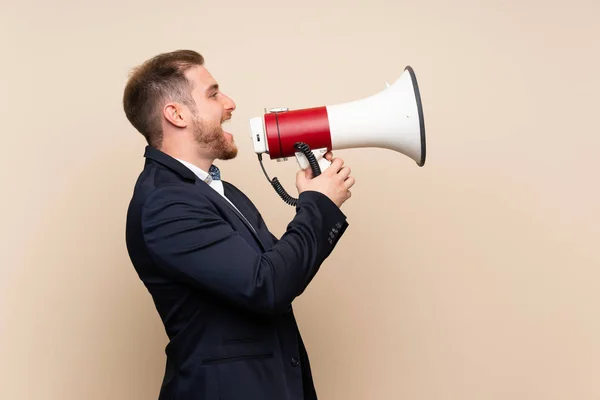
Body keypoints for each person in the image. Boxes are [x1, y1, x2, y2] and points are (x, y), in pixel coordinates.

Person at [122, 49, 355, 400]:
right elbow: (267, 286)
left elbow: (281, 270)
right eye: (213, 94)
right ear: (177, 114)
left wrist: (313, 198)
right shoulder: (166, 203)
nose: (230, 103)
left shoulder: (220, 191)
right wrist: (319, 205)